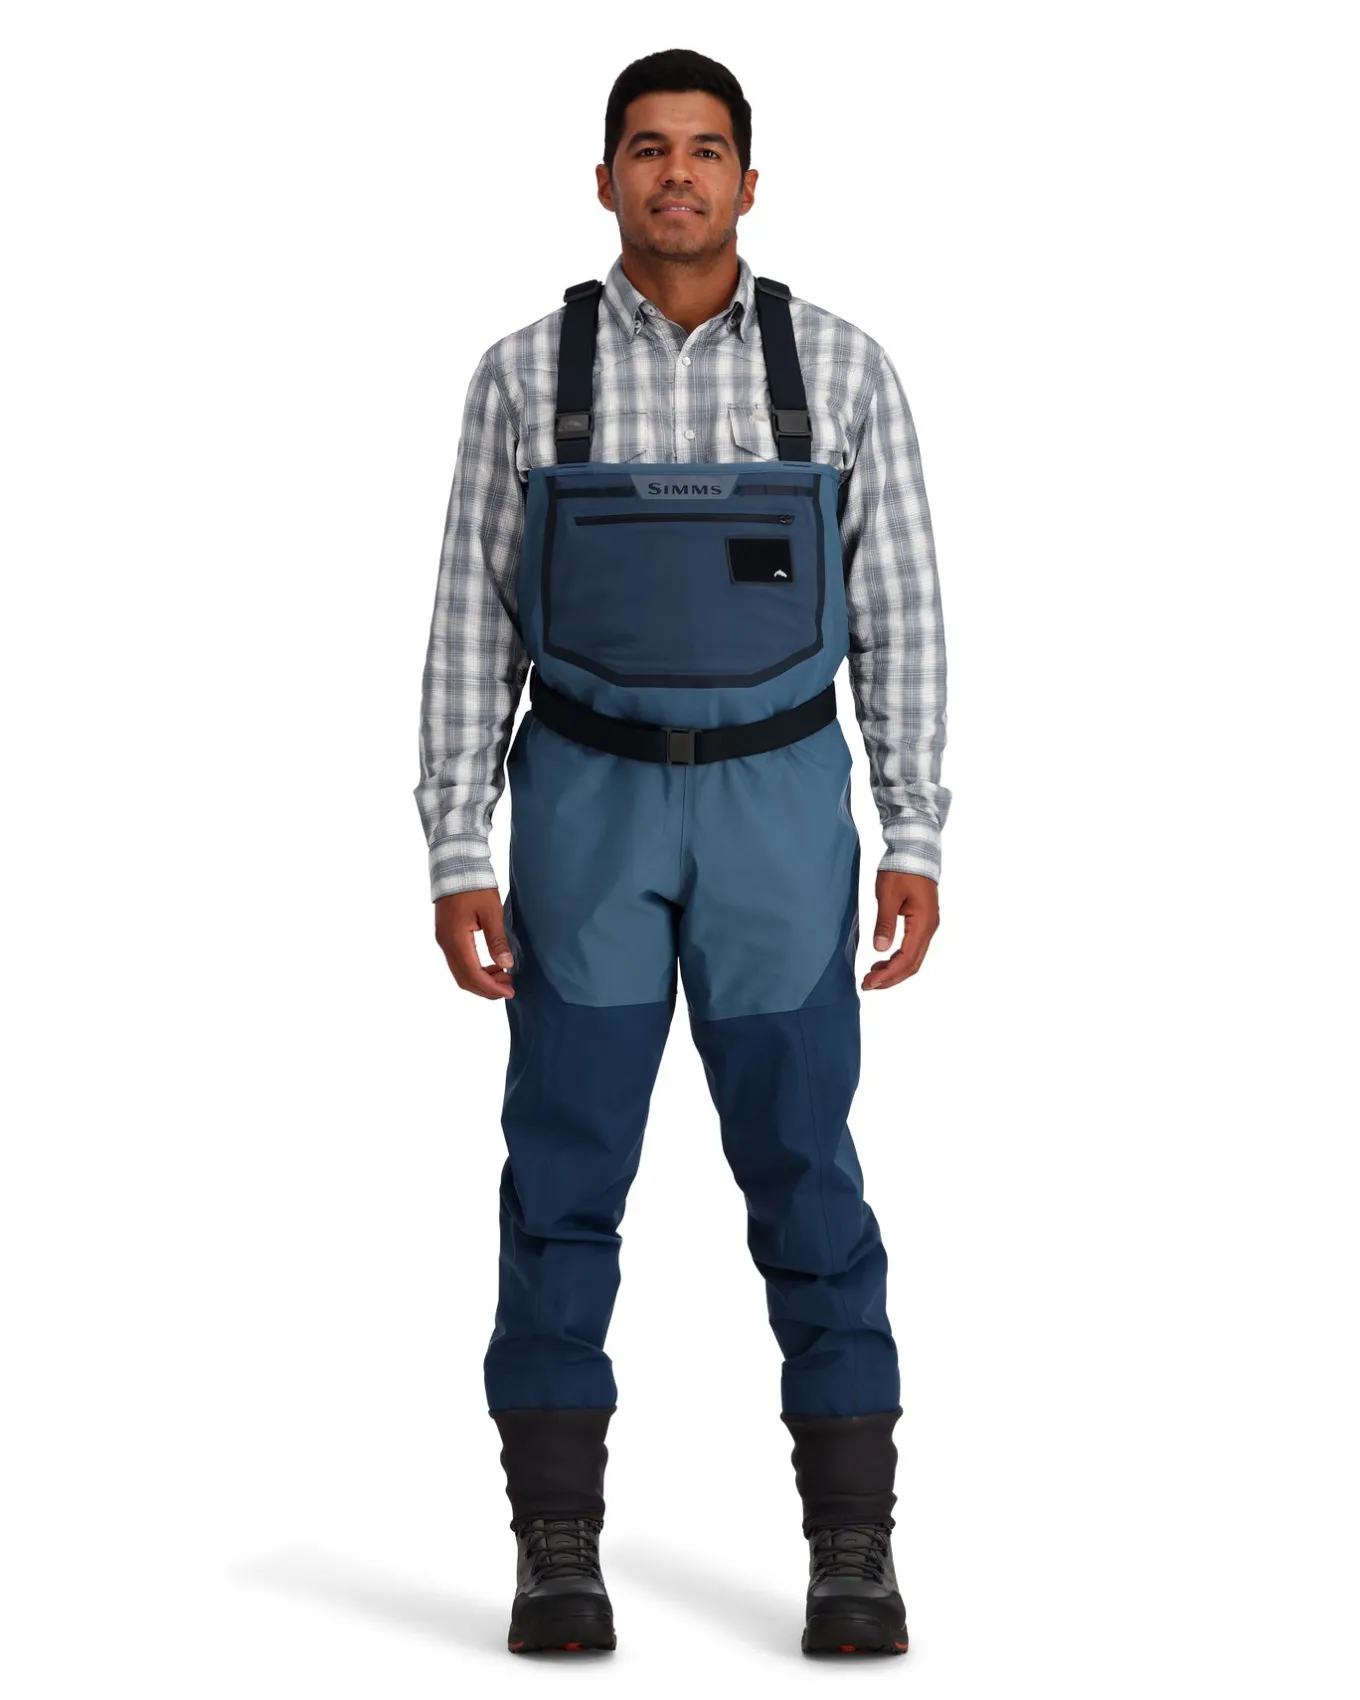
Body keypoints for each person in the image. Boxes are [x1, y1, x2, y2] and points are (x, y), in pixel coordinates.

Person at [413, 47, 950, 1658]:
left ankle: (852, 1548)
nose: (676, 175)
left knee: (806, 1170)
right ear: (606, 180)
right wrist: (456, 846)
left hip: (781, 810)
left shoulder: (840, 367)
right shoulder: (525, 374)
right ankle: (554, 1548)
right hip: (585, 808)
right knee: (563, 1174)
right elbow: (470, 621)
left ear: (747, 181)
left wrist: (915, 828)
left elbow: (903, 613)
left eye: (704, 149)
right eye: (647, 149)